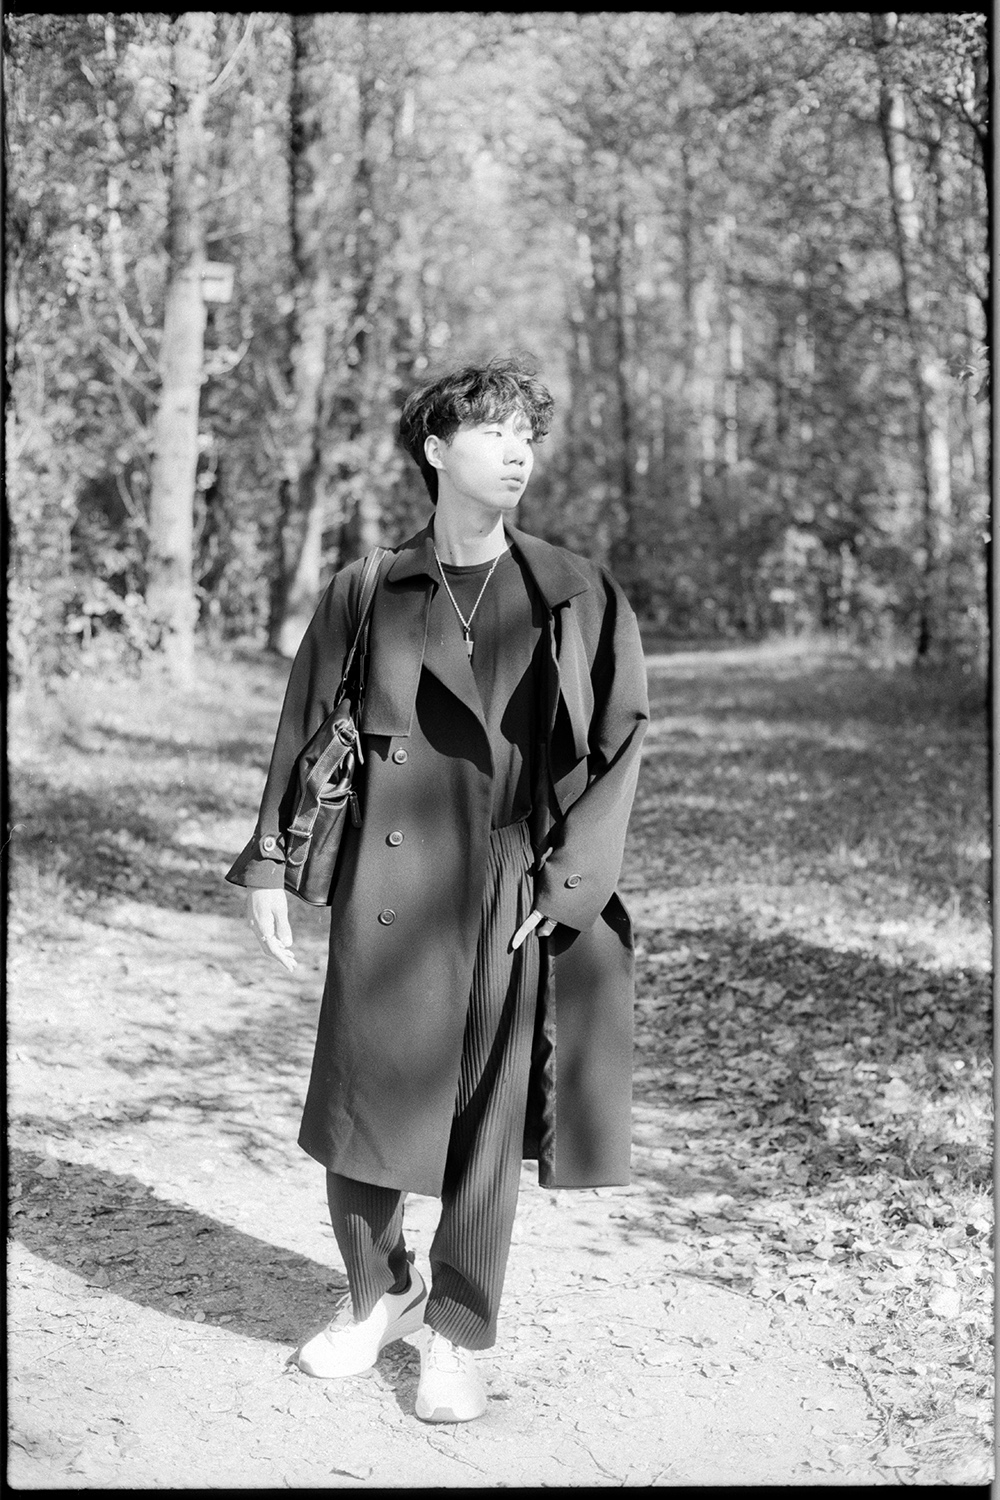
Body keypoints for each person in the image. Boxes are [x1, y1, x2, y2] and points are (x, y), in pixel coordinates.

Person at [226, 354, 648, 1423]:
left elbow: (618, 746)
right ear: (435, 449)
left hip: (510, 875)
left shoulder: (573, 592)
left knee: (487, 1115)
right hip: (389, 872)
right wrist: (270, 860)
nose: (517, 452)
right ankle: (380, 1292)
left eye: (528, 436)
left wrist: (567, 885)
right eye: (494, 431)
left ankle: (457, 1329)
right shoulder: (367, 589)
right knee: (360, 1100)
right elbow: (302, 726)